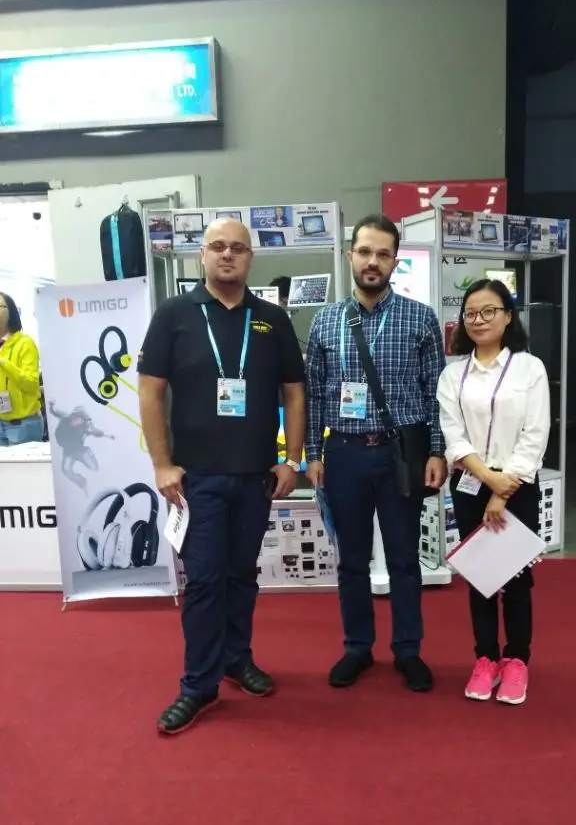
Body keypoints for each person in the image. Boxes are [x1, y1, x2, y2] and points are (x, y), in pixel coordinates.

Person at [138, 217, 306, 735]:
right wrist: (162, 464)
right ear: (202, 255)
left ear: (251, 257)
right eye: (217, 247)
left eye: (237, 248)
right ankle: (198, 684)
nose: (227, 255)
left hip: (256, 476)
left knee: (241, 576)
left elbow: (294, 392)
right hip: (197, 479)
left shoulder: (272, 319)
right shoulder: (174, 315)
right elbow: (150, 391)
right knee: (206, 580)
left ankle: (237, 659)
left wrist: (291, 459)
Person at [305, 214, 446, 692]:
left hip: (400, 453)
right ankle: (357, 647)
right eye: (364, 252)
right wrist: (313, 453)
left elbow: (435, 393)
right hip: (344, 453)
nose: (372, 261)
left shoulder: (420, 318)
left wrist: (437, 450)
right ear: (351, 255)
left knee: (405, 558)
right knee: (352, 560)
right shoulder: (325, 320)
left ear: (394, 261)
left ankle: (407, 649)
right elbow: (315, 393)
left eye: (383, 254)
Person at [436, 279, 550, 706]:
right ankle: (485, 658)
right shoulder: (453, 374)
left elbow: (535, 433)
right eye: (471, 313)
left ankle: (517, 660)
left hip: (517, 486)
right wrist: (489, 480)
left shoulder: (529, 368)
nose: (478, 320)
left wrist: (503, 489)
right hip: (470, 485)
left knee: (516, 579)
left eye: (488, 311)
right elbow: (454, 436)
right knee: (480, 578)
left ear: (507, 316)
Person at [0, 292, 44, 447]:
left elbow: (31, 384)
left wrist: (4, 363)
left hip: (23, 424)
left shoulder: (25, 343)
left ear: (10, 311)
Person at [47, 401, 115, 492]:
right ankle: (82, 483)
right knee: (66, 470)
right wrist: (51, 406)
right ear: (73, 417)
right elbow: (54, 412)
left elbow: (97, 432)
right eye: (77, 419)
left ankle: (98, 480)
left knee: (94, 468)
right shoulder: (65, 418)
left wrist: (109, 436)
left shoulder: (86, 426)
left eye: (82, 420)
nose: (79, 421)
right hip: (68, 452)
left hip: (81, 451)